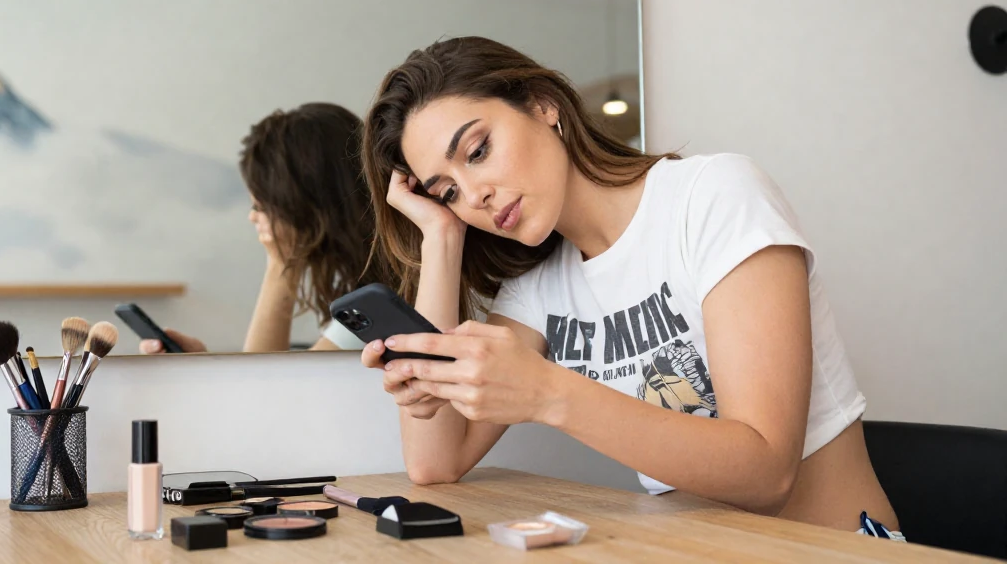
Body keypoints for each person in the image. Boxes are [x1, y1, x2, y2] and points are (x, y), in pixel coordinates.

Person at [358, 36, 901, 538]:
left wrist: (547, 393)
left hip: (840, 550)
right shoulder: (537, 288)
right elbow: (435, 461)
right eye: (447, 190)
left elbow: (765, 473)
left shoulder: (713, 197)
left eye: (478, 151)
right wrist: (441, 238)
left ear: (544, 105)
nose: (475, 194)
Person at [140, 102, 392, 354]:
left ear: (301, 207)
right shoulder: (368, 280)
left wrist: (281, 261)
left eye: (260, 206)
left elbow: (278, 387)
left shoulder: (378, 302)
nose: (252, 216)